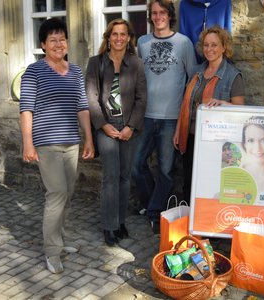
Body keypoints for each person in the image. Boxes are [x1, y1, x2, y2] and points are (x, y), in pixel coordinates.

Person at [19, 18, 94, 274]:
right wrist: (27, 143)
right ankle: (52, 252)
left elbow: (82, 106)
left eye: (62, 39)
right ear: (43, 44)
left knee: (68, 193)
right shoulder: (34, 71)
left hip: (71, 142)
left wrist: (89, 139)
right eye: (52, 40)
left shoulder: (75, 71)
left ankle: (59, 242)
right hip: (46, 144)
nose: (58, 44)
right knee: (57, 194)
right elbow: (26, 109)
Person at [132, 0, 197, 233]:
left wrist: (186, 112)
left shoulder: (184, 43)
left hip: (171, 118)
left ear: (170, 15)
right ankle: (154, 204)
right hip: (145, 116)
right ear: (150, 16)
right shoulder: (142, 42)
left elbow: (193, 79)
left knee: (166, 170)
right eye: (154, 13)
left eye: (163, 13)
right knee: (136, 166)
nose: (158, 17)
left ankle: (154, 212)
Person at [85, 19, 147, 246]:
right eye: (115, 34)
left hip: (129, 125)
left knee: (124, 176)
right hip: (106, 125)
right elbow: (91, 98)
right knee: (111, 176)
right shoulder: (96, 63)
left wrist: (131, 126)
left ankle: (121, 222)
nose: (119, 38)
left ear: (129, 38)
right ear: (108, 37)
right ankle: (109, 226)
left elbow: (142, 98)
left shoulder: (136, 63)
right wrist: (102, 125)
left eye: (123, 34)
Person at [173, 25, 245, 204]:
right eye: (206, 45)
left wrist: (223, 104)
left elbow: (240, 109)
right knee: (189, 182)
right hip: (190, 136)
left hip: (215, 142)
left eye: (214, 45)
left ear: (223, 47)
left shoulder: (232, 75)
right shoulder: (197, 72)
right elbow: (185, 104)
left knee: (210, 185)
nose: (209, 49)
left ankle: (207, 227)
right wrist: (177, 131)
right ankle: (189, 226)